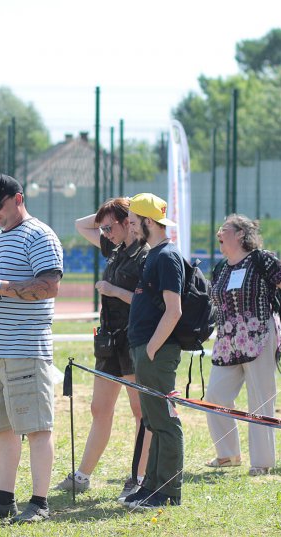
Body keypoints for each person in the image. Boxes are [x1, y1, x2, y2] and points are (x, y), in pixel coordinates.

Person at [0, 174, 63, 524]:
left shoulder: (40, 235)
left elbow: (48, 286)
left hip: (23, 347)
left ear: (18, 199)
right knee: (1, 429)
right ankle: (4, 500)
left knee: (36, 427)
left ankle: (40, 502)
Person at [56, 198, 150, 499]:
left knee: (140, 411)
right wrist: (110, 208)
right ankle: (82, 476)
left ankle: (139, 476)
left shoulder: (146, 255)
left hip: (134, 340)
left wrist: (116, 292)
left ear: (128, 222)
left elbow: (150, 303)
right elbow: (80, 225)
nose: (104, 232)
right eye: (104, 227)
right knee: (99, 408)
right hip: (109, 340)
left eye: (110, 226)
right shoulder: (115, 248)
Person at [204, 214, 281, 478]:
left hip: (260, 336)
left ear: (240, 234)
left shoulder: (262, 260)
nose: (219, 233)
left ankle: (261, 462)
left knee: (261, 400)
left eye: (224, 228)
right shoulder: (220, 268)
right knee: (215, 395)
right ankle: (228, 455)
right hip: (227, 341)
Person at [118, 193, 185, 510]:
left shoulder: (167, 257)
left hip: (156, 352)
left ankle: (168, 492)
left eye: (133, 222)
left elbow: (174, 311)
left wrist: (152, 351)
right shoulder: (154, 255)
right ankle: (153, 487)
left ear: (148, 222)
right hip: (146, 349)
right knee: (153, 421)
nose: (130, 229)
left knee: (165, 421)